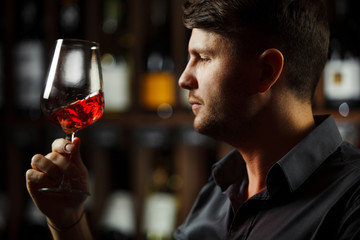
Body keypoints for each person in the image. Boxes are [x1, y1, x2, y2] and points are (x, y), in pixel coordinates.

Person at [26, 0, 360, 239]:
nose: (183, 79)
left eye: (202, 58)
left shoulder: (351, 202)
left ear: (266, 72)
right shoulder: (216, 195)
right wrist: (67, 221)